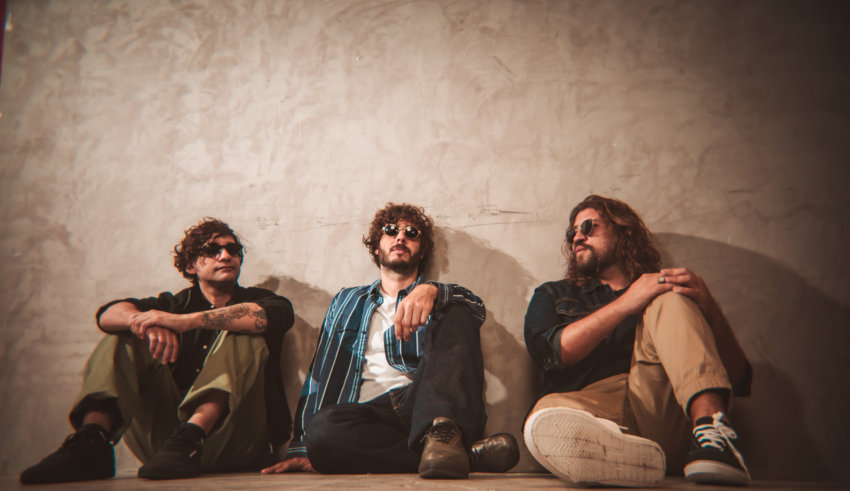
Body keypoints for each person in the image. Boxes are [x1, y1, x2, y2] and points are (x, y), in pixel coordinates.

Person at [20, 218, 295, 483]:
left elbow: (265, 316)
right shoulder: (172, 304)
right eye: (213, 250)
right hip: (166, 451)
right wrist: (146, 324)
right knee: (124, 336)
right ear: (190, 265)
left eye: (233, 249)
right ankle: (92, 442)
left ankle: (192, 434)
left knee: (242, 329)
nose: (225, 256)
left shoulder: (262, 300)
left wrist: (184, 322)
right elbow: (106, 315)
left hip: (237, 442)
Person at [262, 203, 519, 479]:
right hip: (369, 418)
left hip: (423, 404)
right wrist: (304, 447)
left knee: (457, 310)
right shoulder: (347, 300)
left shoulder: (438, 298)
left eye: (412, 232)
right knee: (322, 428)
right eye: (391, 230)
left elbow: (475, 308)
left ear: (422, 250)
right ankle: (461, 456)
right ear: (376, 246)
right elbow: (320, 371)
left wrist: (432, 291)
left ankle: (442, 436)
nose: (401, 237)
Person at [523, 195, 752, 487]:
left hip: (658, 410)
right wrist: (627, 302)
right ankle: (631, 457)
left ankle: (713, 431)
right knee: (547, 413)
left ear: (623, 231)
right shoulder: (553, 294)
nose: (577, 237)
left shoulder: (663, 290)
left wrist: (709, 307)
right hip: (594, 406)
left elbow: (738, 379)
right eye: (572, 233)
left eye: (589, 227)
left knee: (668, 296)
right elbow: (551, 354)